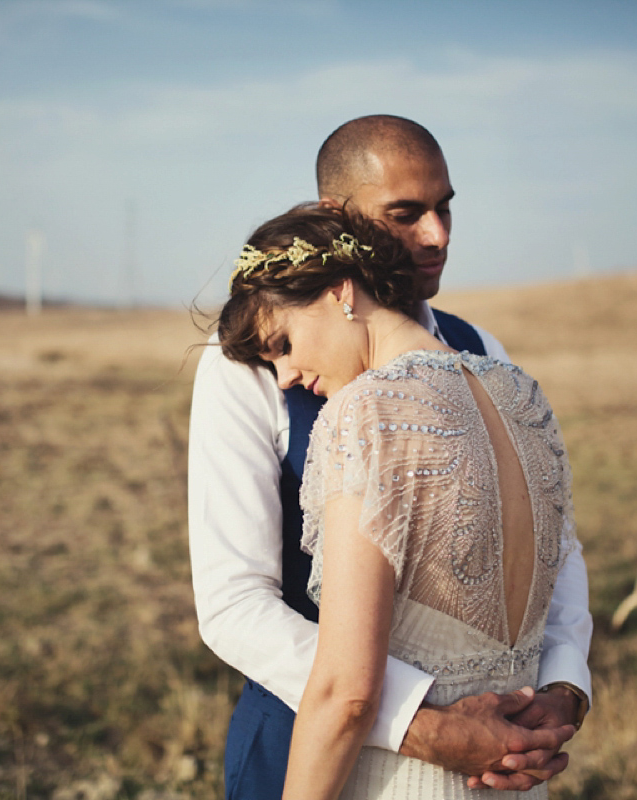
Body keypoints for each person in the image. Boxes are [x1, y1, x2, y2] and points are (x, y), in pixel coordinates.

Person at [188, 116, 591, 798]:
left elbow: (558, 549)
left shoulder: (484, 350)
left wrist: (564, 687)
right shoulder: (253, 364)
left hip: (501, 759)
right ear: (334, 221)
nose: (437, 236)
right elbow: (233, 602)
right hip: (305, 745)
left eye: (445, 208)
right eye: (406, 214)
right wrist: (422, 722)